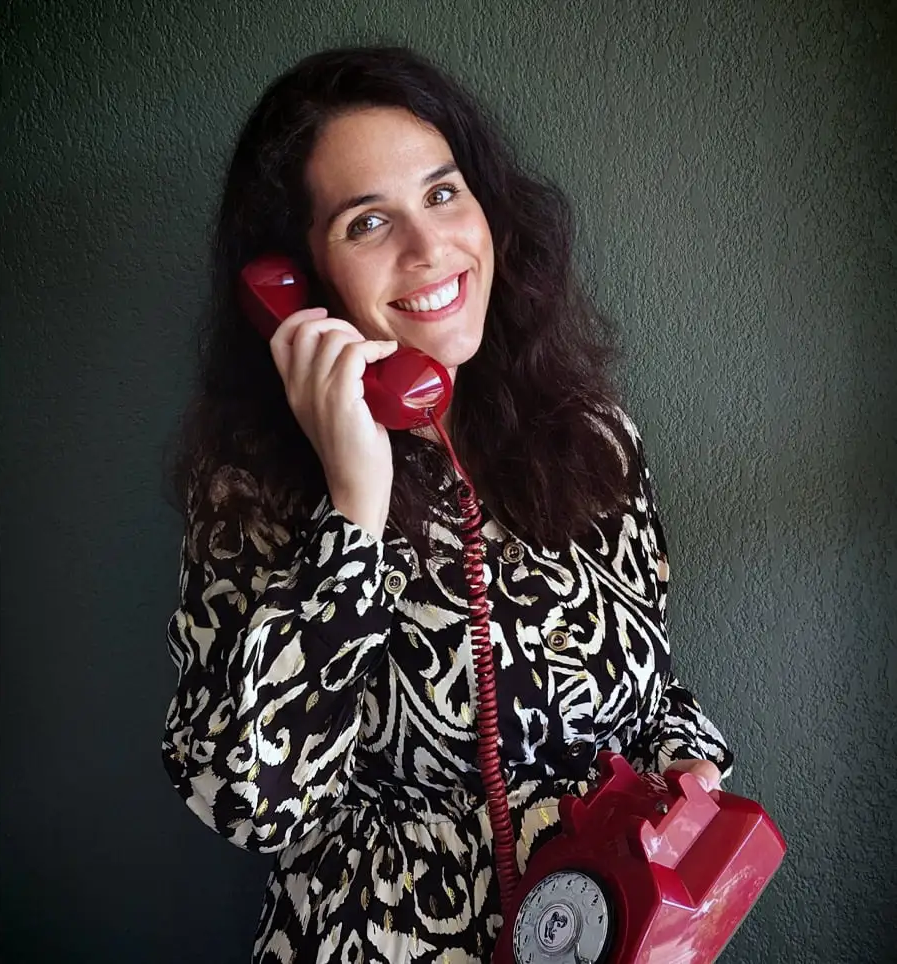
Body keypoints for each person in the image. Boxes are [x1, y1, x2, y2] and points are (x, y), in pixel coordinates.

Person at [161, 45, 734, 964]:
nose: (430, 250)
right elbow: (248, 799)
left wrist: (687, 765)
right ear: (295, 284)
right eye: (366, 223)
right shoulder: (251, 486)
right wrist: (353, 504)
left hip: (611, 933)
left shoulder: (593, 434)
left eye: (441, 193)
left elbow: (653, 683)